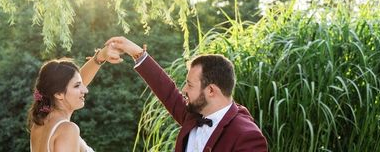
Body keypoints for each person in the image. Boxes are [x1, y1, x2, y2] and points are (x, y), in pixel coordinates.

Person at [106, 36, 268, 152]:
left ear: (211, 90)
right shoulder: (194, 114)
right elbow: (167, 91)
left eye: (190, 85)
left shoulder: (247, 136)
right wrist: (137, 53)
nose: (184, 90)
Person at [28, 45, 120, 152]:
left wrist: (99, 58)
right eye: (77, 86)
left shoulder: (40, 125)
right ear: (58, 94)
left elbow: (69, 84)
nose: (85, 90)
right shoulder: (67, 129)